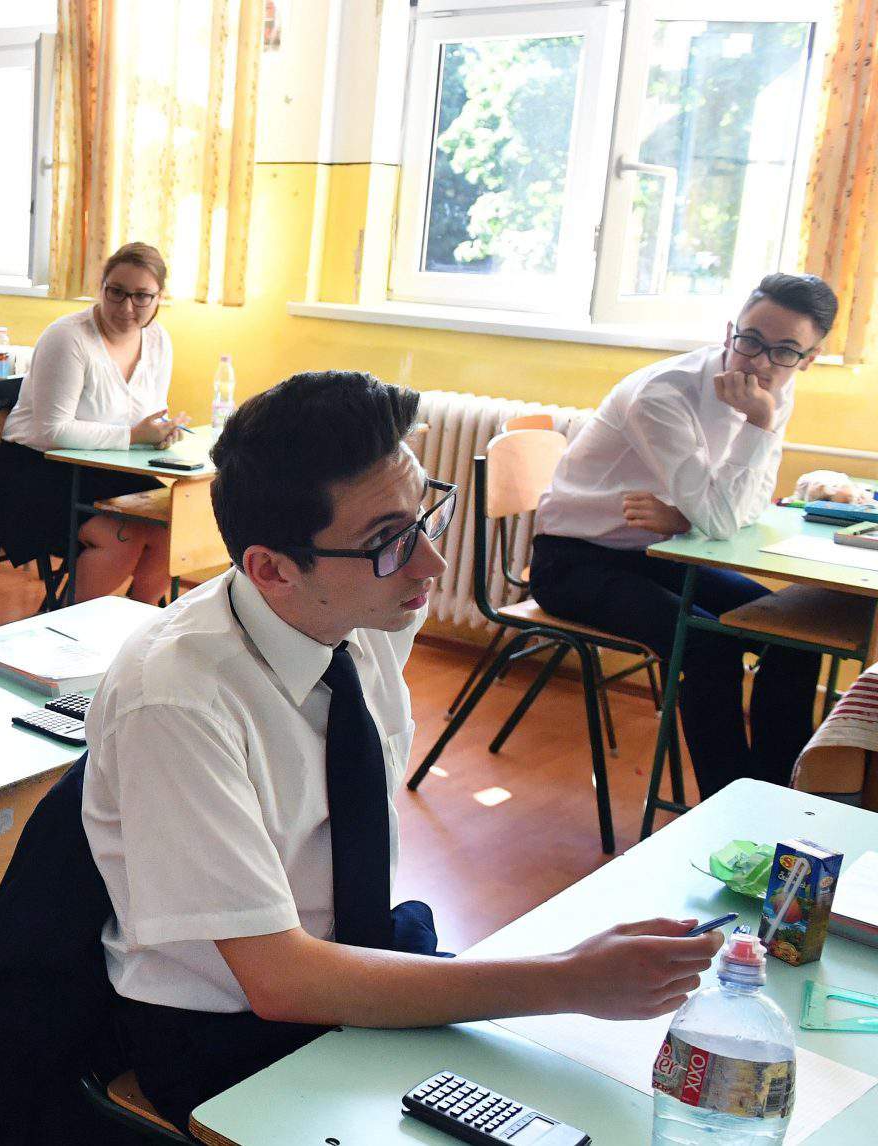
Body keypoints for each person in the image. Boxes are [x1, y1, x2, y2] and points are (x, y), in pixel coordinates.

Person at [85, 370, 724, 1128]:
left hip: (352, 964)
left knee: (589, 1101)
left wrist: (569, 977)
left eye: (424, 517)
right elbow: (280, 981)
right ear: (271, 569)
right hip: (230, 1030)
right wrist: (569, 979)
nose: (432, 565)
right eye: (388, 542)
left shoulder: (364, 613)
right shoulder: (177, 700)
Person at [531, 273, 836, 798]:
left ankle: (779, 796)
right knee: (707, 646)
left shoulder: (770, 395)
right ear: (729, 331)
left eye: (785, 351)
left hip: (663, 550)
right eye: (750, 340)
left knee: (793, 636)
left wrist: (688, 518)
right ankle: (731, 805)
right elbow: (723, 519)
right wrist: (708, 510)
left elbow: (749, 506)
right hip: (573, 562)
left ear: (809, 359)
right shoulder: (663, 393)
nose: (760, 363)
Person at [0, 242, 185, 604]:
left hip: (111, 467)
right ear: (101, 287)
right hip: (40, 469)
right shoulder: (68, 337)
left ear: (159, 297)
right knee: (123, 537)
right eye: (116, 292)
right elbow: (52, 432)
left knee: (172, 529)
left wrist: (160, 432)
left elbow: (151, 412)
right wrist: (133, 436)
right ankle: (73, 628)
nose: (126, 307)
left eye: (141, 296)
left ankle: (138, 623)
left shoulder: (159, 340)